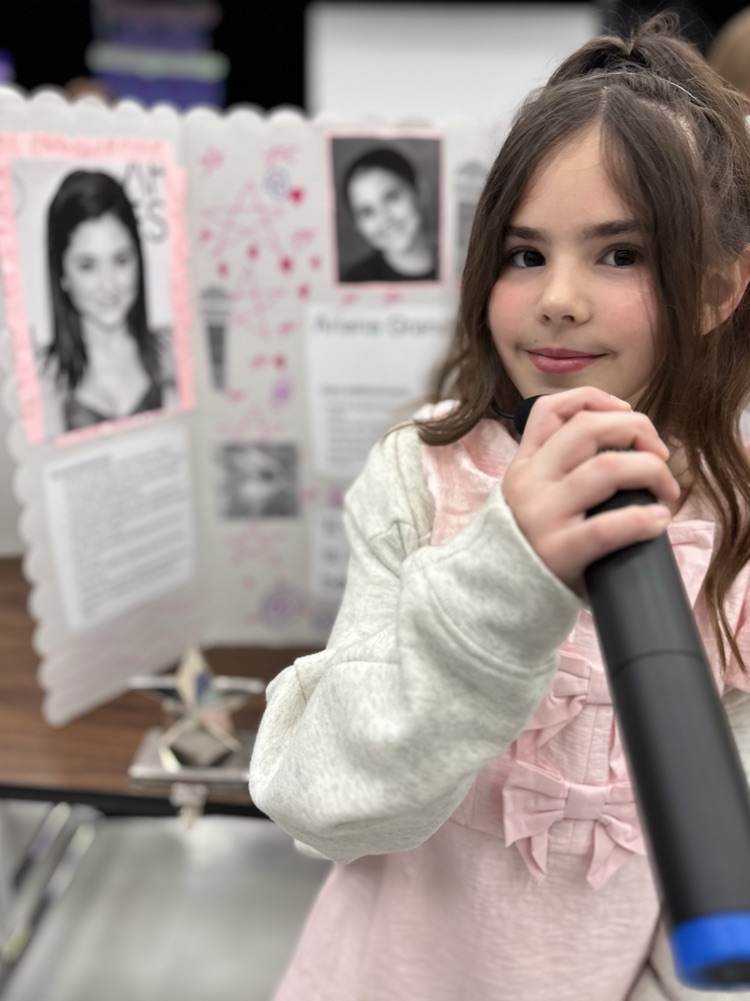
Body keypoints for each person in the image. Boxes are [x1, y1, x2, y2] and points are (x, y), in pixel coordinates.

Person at [250, 14, 750, 1000]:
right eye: (525, 254)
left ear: (717, 286)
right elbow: (317, 799)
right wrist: (505, 576)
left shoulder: (734, 522)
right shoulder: (421, 472)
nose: (558, 297)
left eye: (619, 255)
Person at [42, 169, 175, 434]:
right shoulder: (42, 378)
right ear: (62, 275)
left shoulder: (172, 352)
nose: (108, 284)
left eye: (121, 260)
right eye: (87, 265)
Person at [338, 145, 438, 283]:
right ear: (356, 224)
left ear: (421, 191)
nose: (384, 218)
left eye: (391, 197)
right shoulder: (353, 282)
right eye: (367, 212)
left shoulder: (462, 264)